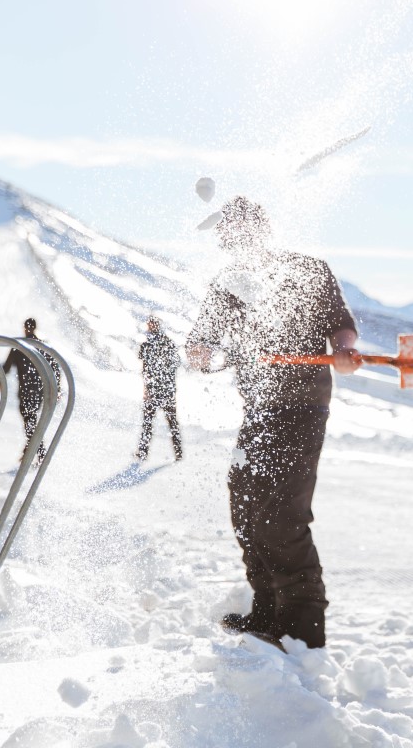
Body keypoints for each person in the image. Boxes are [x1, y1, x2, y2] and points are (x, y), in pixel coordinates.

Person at [186, 195, 361, 650]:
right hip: (259, 409)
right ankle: (267, 611)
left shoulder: (308, 270)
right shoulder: (228, 283)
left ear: (263, 229)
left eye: (245, 227)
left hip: (302, 407)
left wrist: (344, 351)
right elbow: (203, 342)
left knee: (282, 515)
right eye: (229, 230)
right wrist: (203, 354)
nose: (236, 236)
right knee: (246, 509)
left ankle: (303, 630)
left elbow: (341, 327)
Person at [2, 317, 60, 464]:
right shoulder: (38, 346)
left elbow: (54, 367)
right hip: (37, 391)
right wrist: (56, 388)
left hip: (30, 391)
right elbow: (55, 368)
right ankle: (31, 449)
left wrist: (57, 388)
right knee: (31, 421)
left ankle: (38, 452)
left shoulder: (21, 346)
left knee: (30, 421)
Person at [136, 316, 183, 462]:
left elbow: (147, 370)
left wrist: (148, 388)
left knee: (148, 423)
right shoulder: (167, 343)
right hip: (166, 390)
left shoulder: (148, 345)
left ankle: (143, 452)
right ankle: (178, 451)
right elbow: (175, 364)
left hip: (155, 390)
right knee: (171, 422)